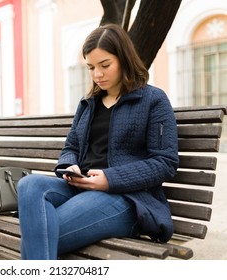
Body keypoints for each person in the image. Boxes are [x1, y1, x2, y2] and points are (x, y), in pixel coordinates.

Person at [17, 24, 179, 260]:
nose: (97, 75)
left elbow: (165, 162)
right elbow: (71, 147)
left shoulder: (153, 100)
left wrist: (110, 180)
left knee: (39, 233)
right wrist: (69, 166)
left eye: (105, 65)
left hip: (127, 199)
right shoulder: (88, 103)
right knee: (29, 185)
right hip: (80, 187)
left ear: (124, 59)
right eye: (91, 67)